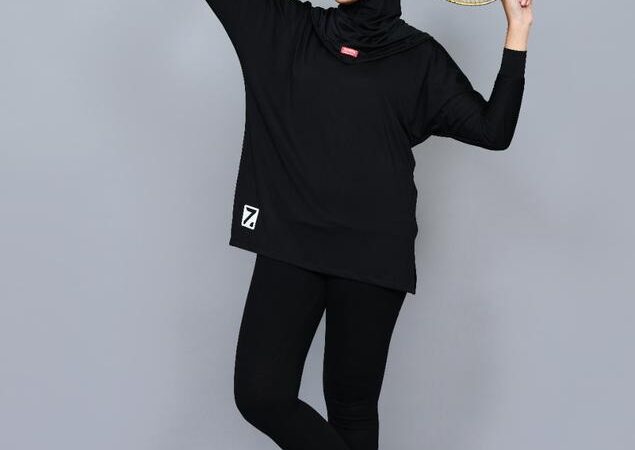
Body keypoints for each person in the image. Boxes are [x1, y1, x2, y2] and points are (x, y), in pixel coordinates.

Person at [204, 0, 533, 449]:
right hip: (290, 245)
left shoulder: (419, 57)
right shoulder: (286, 27)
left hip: (373, 256)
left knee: (352, 409)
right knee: (261, 395)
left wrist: (519, 27)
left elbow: (493, 131)